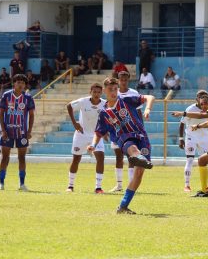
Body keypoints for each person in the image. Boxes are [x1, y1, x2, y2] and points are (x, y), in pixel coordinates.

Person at [89, 78, 155, 214]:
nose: (113, 92)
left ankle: (123, 206)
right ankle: (137, 157)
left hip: (141, 136)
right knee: (133, 149)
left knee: (139, 172)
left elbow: (150, 97)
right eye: (110, 90)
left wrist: (147, 109)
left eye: (115, 89)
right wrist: (93, 144)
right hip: (124, 139)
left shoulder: (126, 100)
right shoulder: (104, 113)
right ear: (104, 91)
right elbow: (98, 132)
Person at [0, 74, 36, 191]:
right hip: (7, 132)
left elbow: (32, 115)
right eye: (18, 82)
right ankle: (1, 183)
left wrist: (29, 131)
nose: (20, 84)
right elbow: (1, 113)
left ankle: (22, 184)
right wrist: (3, 130)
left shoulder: (28, 98)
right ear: (14, 83)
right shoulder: (6, 96)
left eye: (23, 83)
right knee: (5, 158)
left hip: (22, 132)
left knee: (22, 157)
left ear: (25, 85)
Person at [66, 83, 107, 193]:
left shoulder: (104, 104)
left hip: (96, 135)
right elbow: (69, 106)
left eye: (99, 92)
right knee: (76, 159)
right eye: (94, 92)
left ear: (101, 93)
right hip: (81, 134)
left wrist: (106, 132)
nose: (96, 94)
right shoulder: (83, 101)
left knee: (101, 158)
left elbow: (108, 118)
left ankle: (98, 187)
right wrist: (75, 123)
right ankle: (70, 186)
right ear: (90, 92)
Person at [109, 71, 143, 193]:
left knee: (131, 157)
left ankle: (131, 184)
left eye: (125, 79)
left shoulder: (134, 93)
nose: (123, 81)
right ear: (118, 80)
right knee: (118, 157)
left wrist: (141, 128)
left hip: (131, 130)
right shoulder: (113, 93)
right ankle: (118, 185)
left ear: (128, 80)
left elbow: (139, 112)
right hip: (117, 130)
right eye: (121, 79)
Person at [179, 90, 208, 192]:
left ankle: (205, 186)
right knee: (190, 160)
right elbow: (182, 123)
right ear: (196, 98)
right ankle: (187, 185)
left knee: (205, 162)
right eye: (200, 96)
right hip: (191, 137)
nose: (202, 98)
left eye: (204, 96)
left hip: (203, 138)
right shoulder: (190, 109)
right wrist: (181, 138)